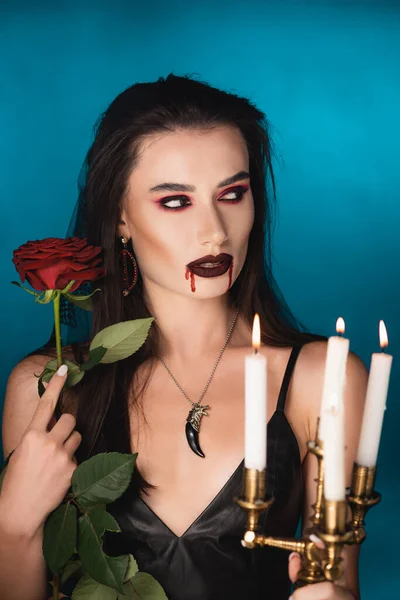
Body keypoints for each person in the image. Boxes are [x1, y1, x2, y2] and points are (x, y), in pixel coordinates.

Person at [0, 74, 367, 600]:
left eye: (232, 194)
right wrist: (13, 527)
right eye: (175, 201)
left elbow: (336, 578)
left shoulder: (322, 379)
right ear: (120, 216)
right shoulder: (51, 387)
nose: (215, 230)